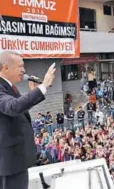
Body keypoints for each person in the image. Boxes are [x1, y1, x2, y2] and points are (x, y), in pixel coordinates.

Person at [0, 51, 55, 189]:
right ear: (5, 67)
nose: (24, 70)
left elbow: (17, 112)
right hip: (10, 163)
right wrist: (44, 86)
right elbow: (13, 107)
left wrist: (32, 93)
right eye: (20, 66)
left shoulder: (9, 86)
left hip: (15, 160)